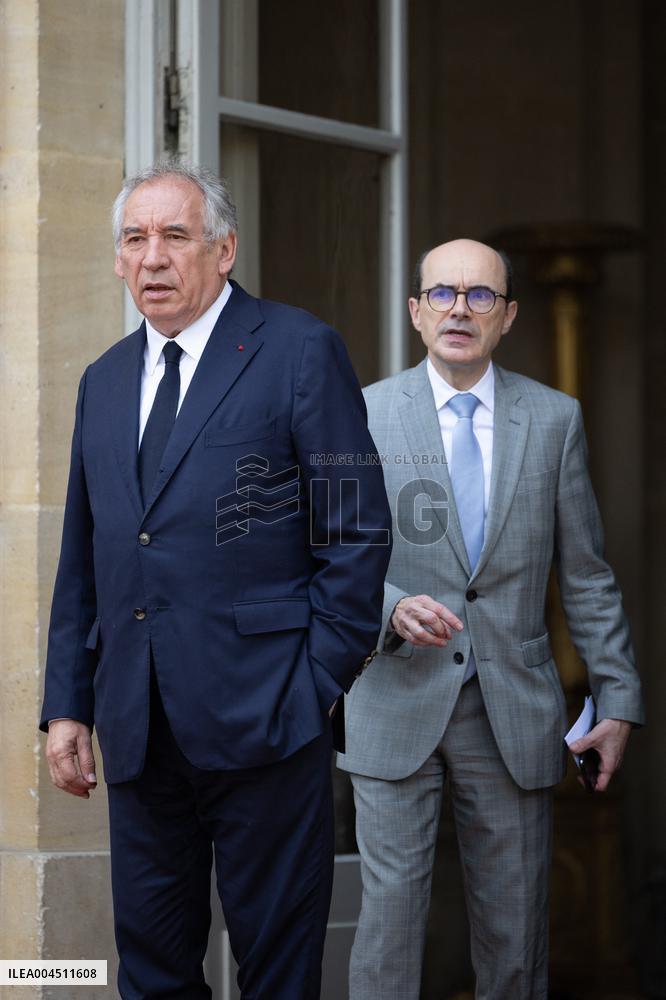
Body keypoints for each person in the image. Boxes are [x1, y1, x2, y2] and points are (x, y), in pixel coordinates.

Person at [40, 159, 392, 1000]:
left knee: (276, 974)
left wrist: (313, 685)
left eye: (175, 236)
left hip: (269, 718)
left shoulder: (300, 349)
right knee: (153, 973)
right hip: (139, 726)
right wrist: (67, 704)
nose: (152, 257)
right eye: (134, 239)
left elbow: (356, 529)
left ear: (224, 249)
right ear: (119, 260)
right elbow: (84, 555)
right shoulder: (104, 379)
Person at [338, 238, 644, 1000]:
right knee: (387, 934)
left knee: (515, 940)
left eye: (481, 297)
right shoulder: (362, 414)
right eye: (443, 294)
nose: (460, 310)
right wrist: (390, 607)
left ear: (507, 316)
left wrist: (618, 699)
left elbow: (588, 575)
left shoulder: (555, 419)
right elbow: (331, 557)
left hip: (512, 705)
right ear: (416, 312)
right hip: (393, 698)